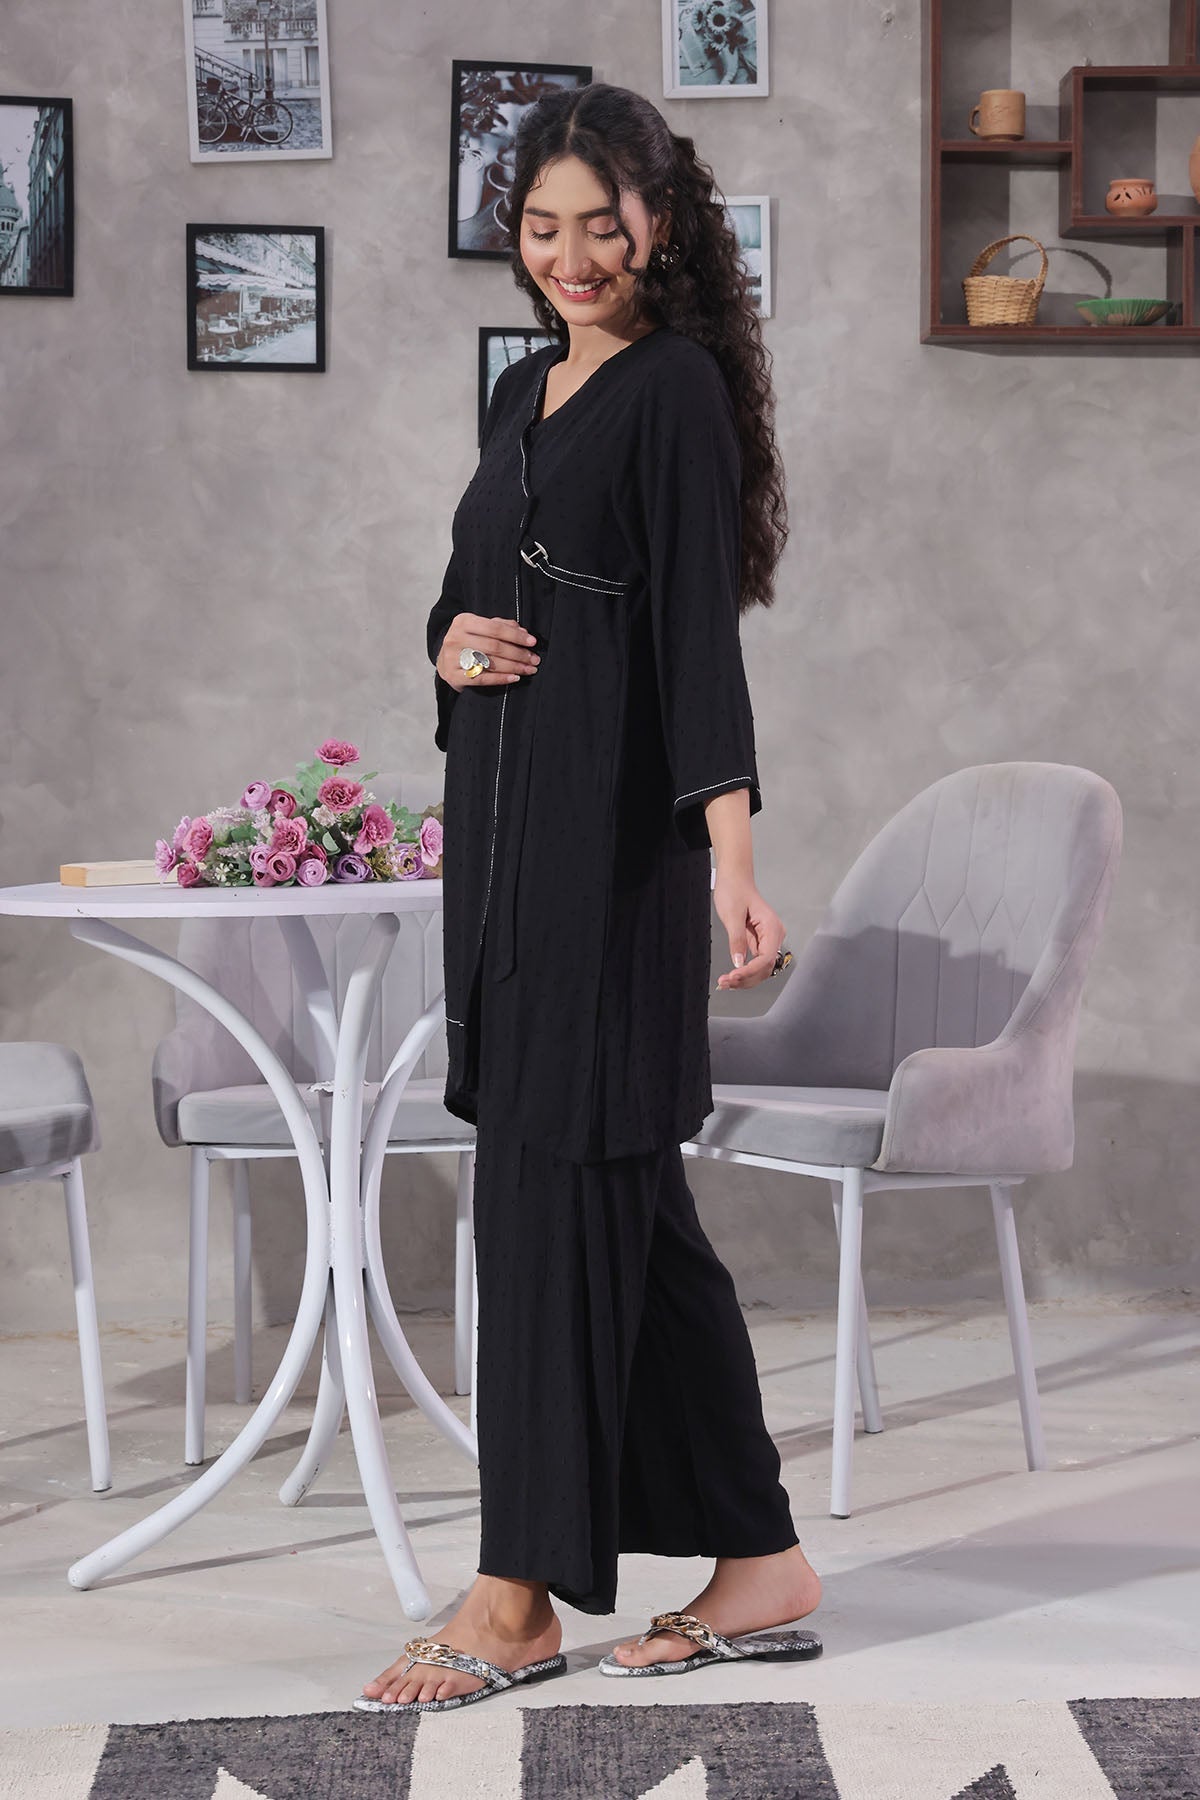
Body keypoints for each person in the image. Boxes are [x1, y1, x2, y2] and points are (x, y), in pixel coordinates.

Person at [358, 80, 822, 1714]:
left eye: (599, 226)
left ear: (660, 224)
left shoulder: (674, 389)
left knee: (554, 1209)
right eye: (542, 228)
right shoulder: (522, 391)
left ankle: (515, 1596)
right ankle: (762, 1564)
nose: (569, 255)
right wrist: (450, 648)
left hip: (613, 864)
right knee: (630, 1213)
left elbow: (696, 637)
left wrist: (733, 862)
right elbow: (465, 594)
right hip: (504, 850)